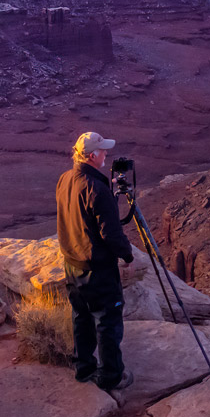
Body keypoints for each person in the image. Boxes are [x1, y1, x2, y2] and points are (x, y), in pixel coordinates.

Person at [56, 130, 134, 391]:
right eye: (103, 151)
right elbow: (111, 234)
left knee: (81, 317)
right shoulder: (97, 189)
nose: (106, 155)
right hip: (97, 269)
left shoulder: (65, 179)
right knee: (107, 321)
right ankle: (111, 376)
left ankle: (83, 368)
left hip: (71, 263)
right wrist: (127, 255)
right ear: (92, 155)